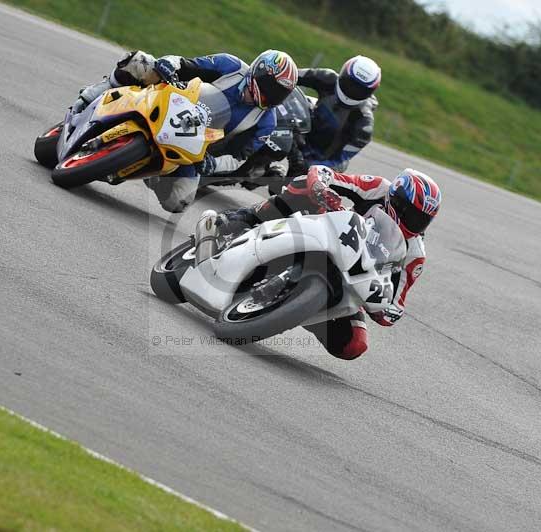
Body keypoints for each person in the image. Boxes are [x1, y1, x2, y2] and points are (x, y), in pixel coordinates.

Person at [216, 164, 441, 360]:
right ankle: (244, 218)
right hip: (329, 233)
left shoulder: (415, 254)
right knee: (303, 184)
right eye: (410, 213)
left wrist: (383, 307)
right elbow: (324, 173)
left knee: (353, 345)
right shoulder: (378, 188)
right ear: (396, 200)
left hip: (351, 282)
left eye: (422, 219)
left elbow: (397, 303)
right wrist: (321, 189)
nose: (415, 222)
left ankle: (294, 311)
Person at [72, 49, 298, 212]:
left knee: (179, 201)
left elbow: (240, 157)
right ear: (258, 72)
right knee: (140, 62)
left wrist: (213, 164)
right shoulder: (231, 66)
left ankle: (153, 173)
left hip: (193, 144)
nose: (271, 97)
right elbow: (186, 63)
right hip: (173, 101)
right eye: (270, 88)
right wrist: (170, 65)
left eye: (279, 94)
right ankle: (92, 95)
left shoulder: (266, 121)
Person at [287, 56, 381, 176]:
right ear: (343, 74)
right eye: (350, 83)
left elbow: (342, 160)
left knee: (290, 188)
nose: (352, 90)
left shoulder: (364, 124)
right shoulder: (328, 78)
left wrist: (313, 167)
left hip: (319, 157)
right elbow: (289, 74)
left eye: (359, 90)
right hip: (302, 132)